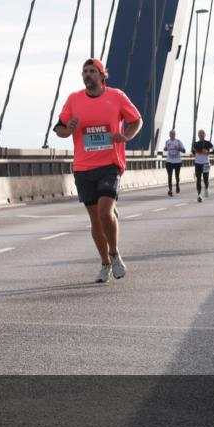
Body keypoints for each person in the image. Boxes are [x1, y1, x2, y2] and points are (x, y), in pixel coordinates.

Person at [54, 58, 142, 283]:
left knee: (104, 212)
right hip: (83, 167)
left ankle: (114, 254)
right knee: (96, 220)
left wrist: (127, 136)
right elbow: (60, 129)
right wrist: (68, 129)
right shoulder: (74, 99)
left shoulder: (117, 97)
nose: (87, 75)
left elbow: (136, 120)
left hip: (109, 164)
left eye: (92, 71)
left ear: (102, 76)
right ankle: (104, 263)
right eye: (84, 71)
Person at [191, 130, 214, 202]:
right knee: (198, 179)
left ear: (205, 135)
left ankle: (207, 188)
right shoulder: (195, 143)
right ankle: (199, 194)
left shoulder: (208, 143)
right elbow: (194, 151)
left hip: (206, 163)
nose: (201, 135)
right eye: (200, 134)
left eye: (203, 134)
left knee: (205, 179)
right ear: (198, 135)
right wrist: (202, 151)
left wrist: (208, 152)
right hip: (198, 163)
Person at [163, 131, 186, 196]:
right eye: (171, 134)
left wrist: (178, 148)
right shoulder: (167, 142)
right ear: (169, 135)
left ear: (175, 135)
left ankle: (177, 185)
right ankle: (170, 190)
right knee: (169, 176)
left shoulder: (178, 142)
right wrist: (165, 149)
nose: (172, 135)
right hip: (169, 161)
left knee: (177, 176)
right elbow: (165, 149)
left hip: (177, 161)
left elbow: (184, 151)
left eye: (173, 134)